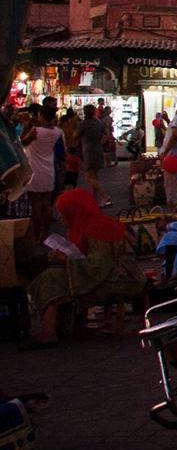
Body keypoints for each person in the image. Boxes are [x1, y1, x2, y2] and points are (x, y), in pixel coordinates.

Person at [20, 189, 145, 349]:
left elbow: (97, 267)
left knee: (52, 277)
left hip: (119, 279)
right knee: (52, 273)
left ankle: (48, 333)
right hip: (106, 274)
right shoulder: (85, 225)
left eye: (62, 213)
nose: (60, 217)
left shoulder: (98, 227)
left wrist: (65, 260)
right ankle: (53, 328)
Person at [20, 105, 63, 234]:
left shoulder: (35, 131)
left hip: (34, 170)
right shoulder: (56, 131)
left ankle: (37, 233)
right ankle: (46, 234)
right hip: (48, 170)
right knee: (47, 204)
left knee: (36, 205)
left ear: (42, 116)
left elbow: (22, 142)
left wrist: (25, 126)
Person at [77, 104, 109, 206]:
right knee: (94, 176)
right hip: (98, 149)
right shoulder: (98, 122)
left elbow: (75, 135)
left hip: (88, 150)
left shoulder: (84, 123)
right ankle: (94, 201)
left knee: (88, 177)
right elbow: (107, 133)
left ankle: (104, 196)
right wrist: (101, 142)